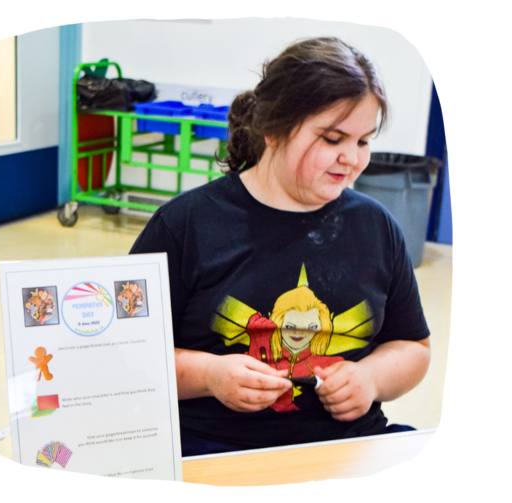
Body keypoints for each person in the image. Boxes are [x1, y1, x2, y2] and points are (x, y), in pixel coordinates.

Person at [129, 37, 431, 456]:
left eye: (362, 142)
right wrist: (211, 374)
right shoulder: (186, 225)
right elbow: (125, 358)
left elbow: (412, 347)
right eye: (332, 138)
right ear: (272, 130)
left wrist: (372, 379)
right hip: (214, 446)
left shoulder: (375, 225)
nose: (352, 159)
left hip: (349, 444)